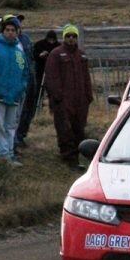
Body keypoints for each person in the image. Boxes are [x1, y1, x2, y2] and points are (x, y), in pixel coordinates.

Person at [44, 24, 93, 170]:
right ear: (64, 37)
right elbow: (51, 77)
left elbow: (86, 77)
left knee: (79, 129)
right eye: (68, 36)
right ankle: (68, 159)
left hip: (80, 101)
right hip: (63, 101)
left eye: (74, 36)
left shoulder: (82, 55)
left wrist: (88, 96)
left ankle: (80, 158)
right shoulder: (56, 54)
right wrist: (57, 97)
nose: (71, 39)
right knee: (65, 131)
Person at [0, 17, 29, 166]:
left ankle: (10, 153)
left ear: (17, 32)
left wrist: (20, 88)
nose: (10, 33)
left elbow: (25, 73)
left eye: (13, 30)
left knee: (11, 126)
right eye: (7, 30)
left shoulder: (19, 53)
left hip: (14, 95)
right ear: (2, 32)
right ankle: (2, 155)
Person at [15, 16, 36, 148]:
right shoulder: (12, 42)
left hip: (30, 77)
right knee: (18, 111)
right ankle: (15, 138)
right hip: (19, 79)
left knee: (29, 109)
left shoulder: (26, 39)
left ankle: (22, 134)